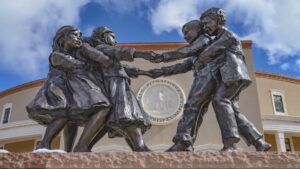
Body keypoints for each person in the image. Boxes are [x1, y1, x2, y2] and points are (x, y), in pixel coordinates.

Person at [148, 12, 271, 152]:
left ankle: (190, 142)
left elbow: (198, 53)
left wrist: (163, 56)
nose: (185, 36)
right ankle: (258, 142)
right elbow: (185, 64)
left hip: (227, 75)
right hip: (226, 77)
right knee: (231, 111)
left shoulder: (214, 38)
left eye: (187, 31)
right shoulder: (210, 41)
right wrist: (161, 71)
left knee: (202, 104)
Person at [27, 25, 113, 152]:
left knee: (69, 118)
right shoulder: (56, 55)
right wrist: (92, 57)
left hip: (69, 90)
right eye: (75, 35)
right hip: (58, 89)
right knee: (63, 114)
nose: (79, 38)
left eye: (80, 35)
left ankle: (67, 150)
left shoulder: (73, 52)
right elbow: (76, 64)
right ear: (64, 38)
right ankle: (44, 143)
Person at [82, 26, 155, 152]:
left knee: (122, 118)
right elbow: (120, 52)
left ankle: (86, 145)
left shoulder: (104, 51)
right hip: (115, 84)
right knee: (129, 115)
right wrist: (142, 54)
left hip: (117, 83)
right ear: (103, 36)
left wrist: (146, 72)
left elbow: (123, 68)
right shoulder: (102, 48)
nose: (115, 41)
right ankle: (139, 146)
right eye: (112, 36)